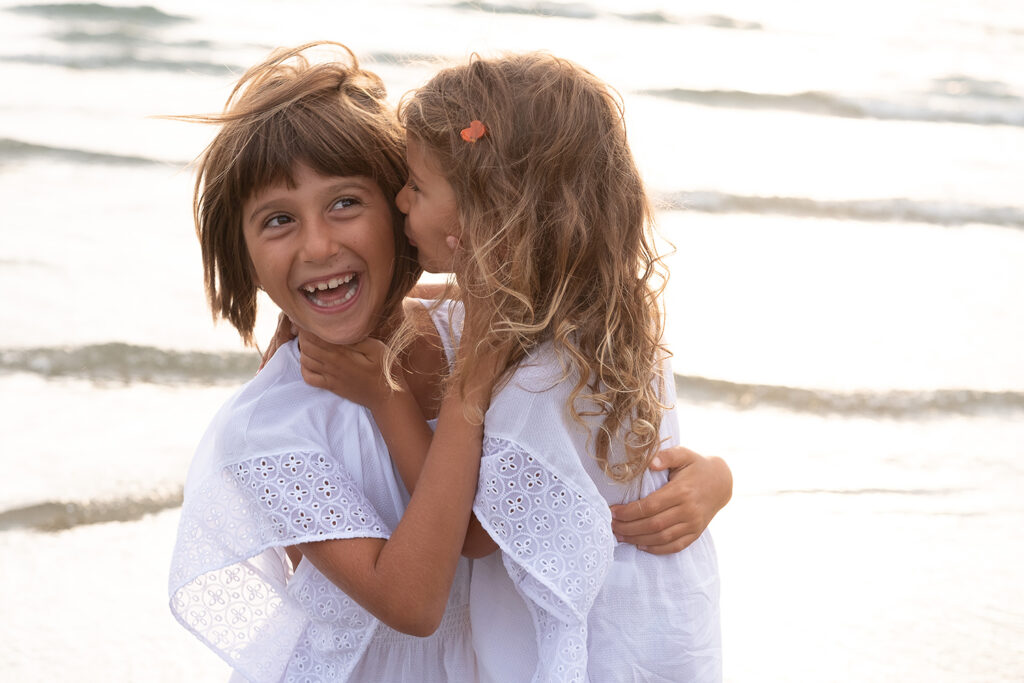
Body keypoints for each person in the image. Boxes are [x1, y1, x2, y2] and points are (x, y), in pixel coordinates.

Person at [310, 52, 723, 681]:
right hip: (661, 627)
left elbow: (473, 534)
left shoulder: (536, 381)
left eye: (417, 188)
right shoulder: (604, 323)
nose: (398, 200)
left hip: (597, 650)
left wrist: (385, 399)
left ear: (483, 222)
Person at [167, 42, 492, 682]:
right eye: (279, 220)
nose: (318, 245)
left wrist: (708, 482)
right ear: (244, 259)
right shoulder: (269, 427)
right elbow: (413, 603)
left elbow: (582, 474)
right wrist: (474, 383)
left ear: (406, 205)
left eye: (345, 203)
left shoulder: (468, 327)